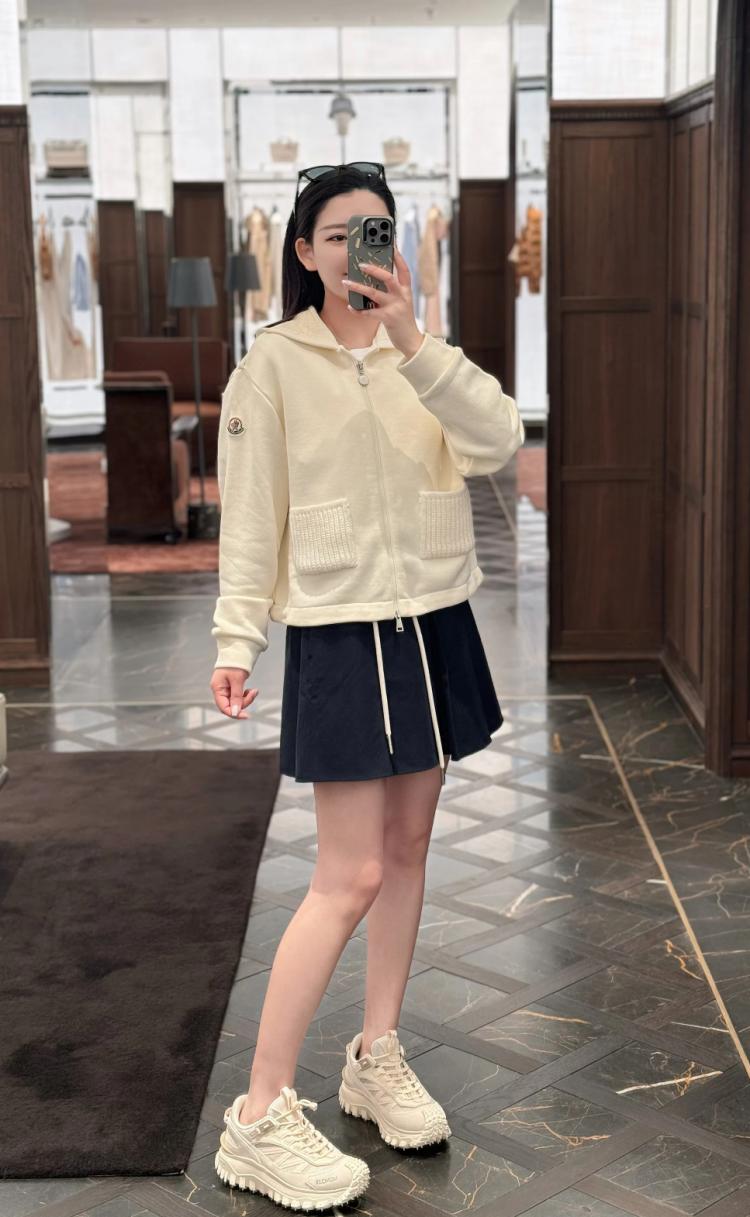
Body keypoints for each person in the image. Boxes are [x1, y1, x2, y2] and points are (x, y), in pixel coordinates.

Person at [209, 162, 525, 1212]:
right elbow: (251, 518)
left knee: (408, 848)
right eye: (339, 232)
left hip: (433, 618)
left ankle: (374, 1053)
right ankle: (258, 1113)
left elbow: (499, 441)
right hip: (341, 631)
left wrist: (414, 340)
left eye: (376, 229)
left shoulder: (419, 351)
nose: (358, 248)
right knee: (346, 875)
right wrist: (236, 638)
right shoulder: (271, 366)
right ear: (304, 251)